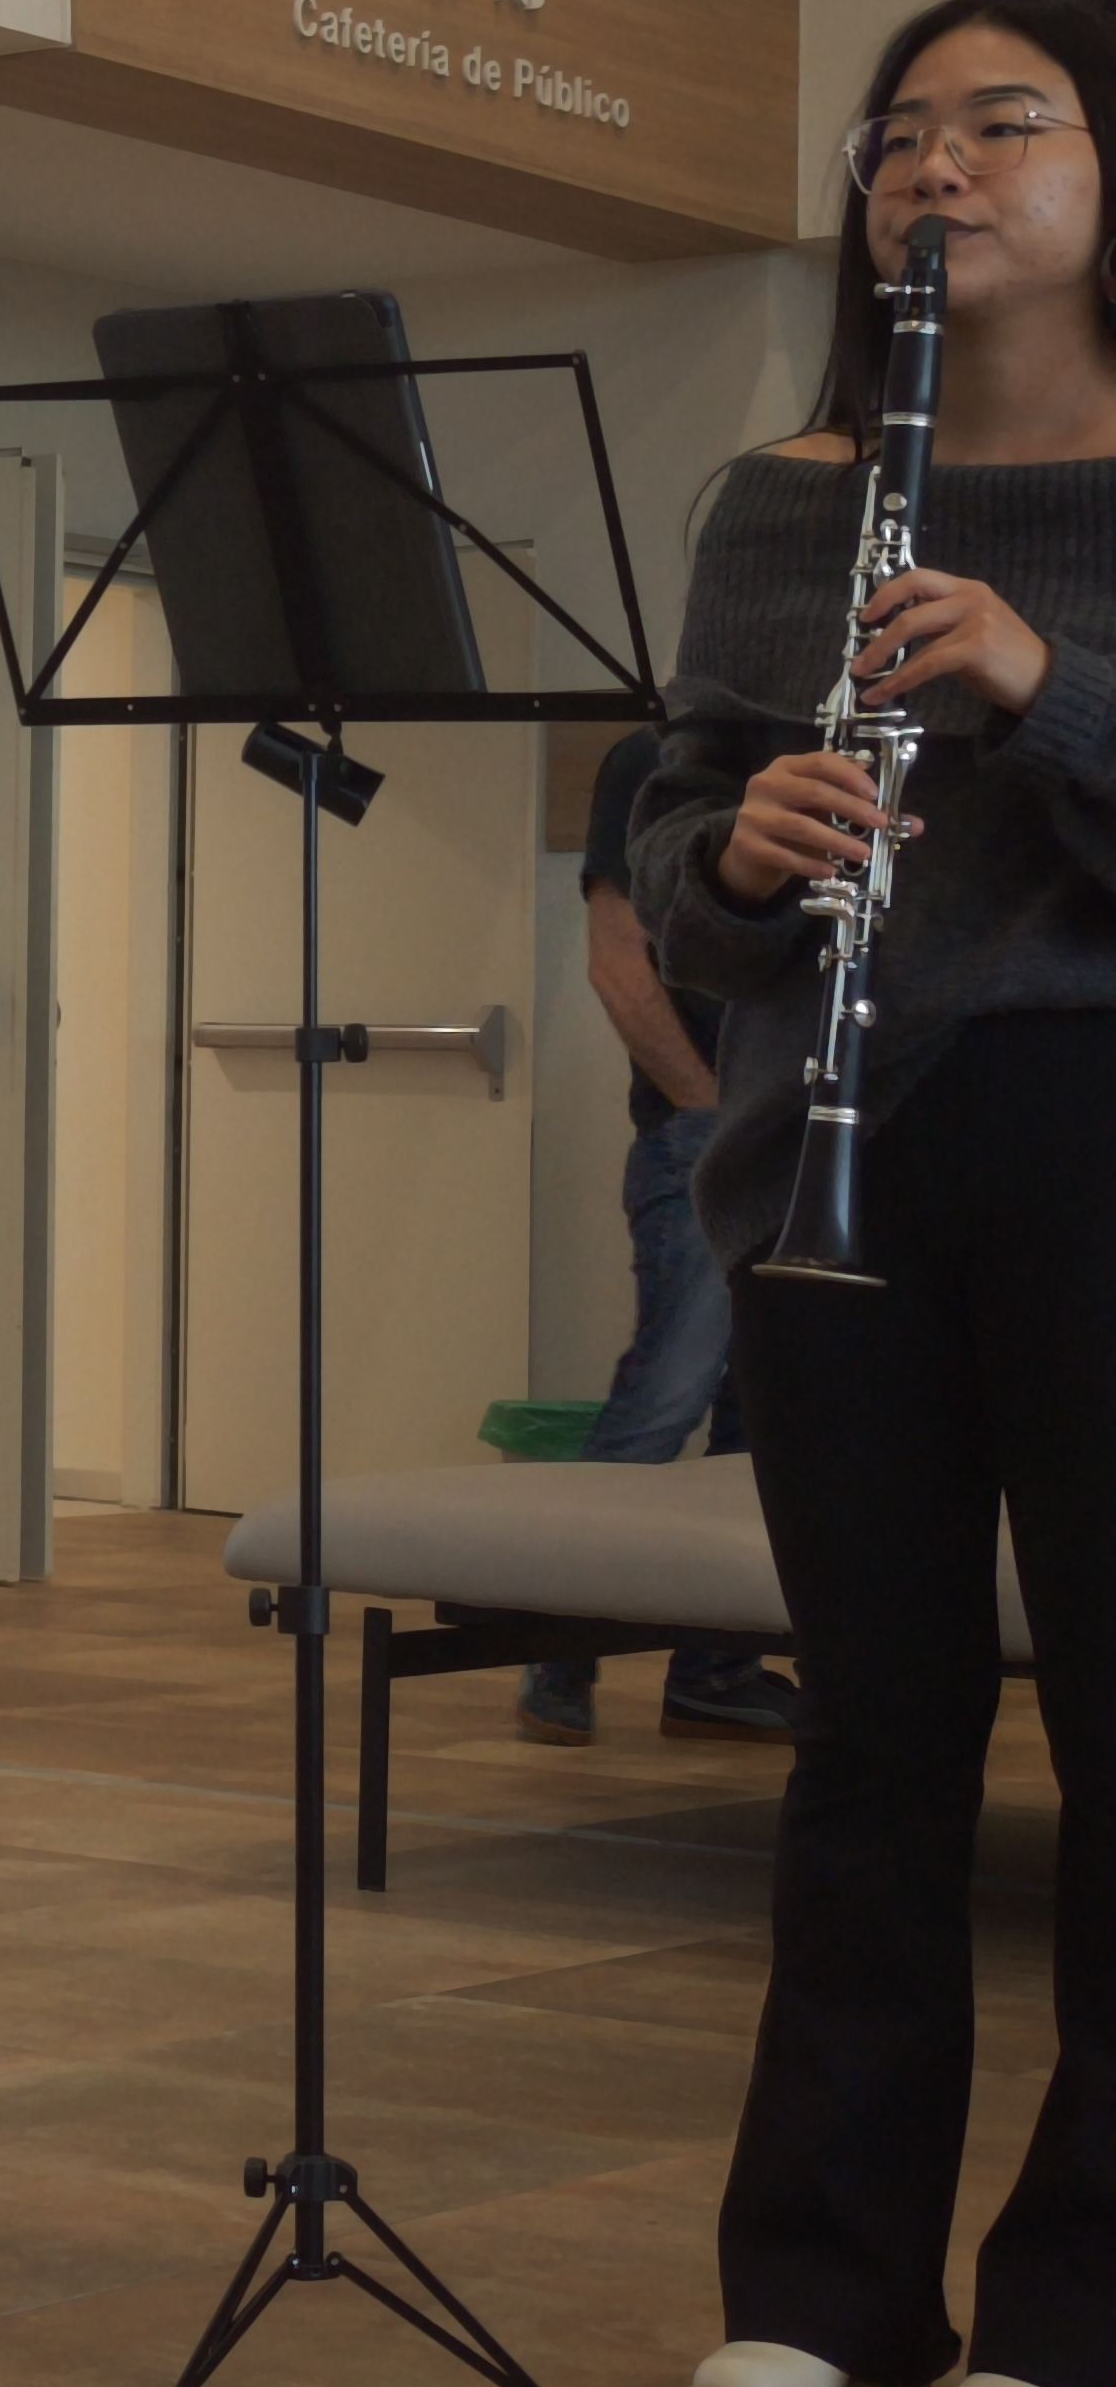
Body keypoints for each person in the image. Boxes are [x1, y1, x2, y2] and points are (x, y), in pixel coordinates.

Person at [636, 0, 1116, 2387]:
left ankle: (1077, 2318)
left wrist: (1045, 678)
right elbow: (672, 823)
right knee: (872, 1742)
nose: (939, 164)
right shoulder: (787, 496)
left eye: (1003, 120)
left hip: (1092, 1137)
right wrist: (735, 845)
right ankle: (823, 2284)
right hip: (835, 1141)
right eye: (898, 131)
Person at [515, 726, 799, 1747]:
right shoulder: (648, 761)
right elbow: (618, 967)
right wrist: (710, 1107)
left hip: (791, 1138)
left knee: (762, 1418)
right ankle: (558, 1648)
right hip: (705, 1135)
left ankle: (714, 1671)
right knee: (664, 1397)